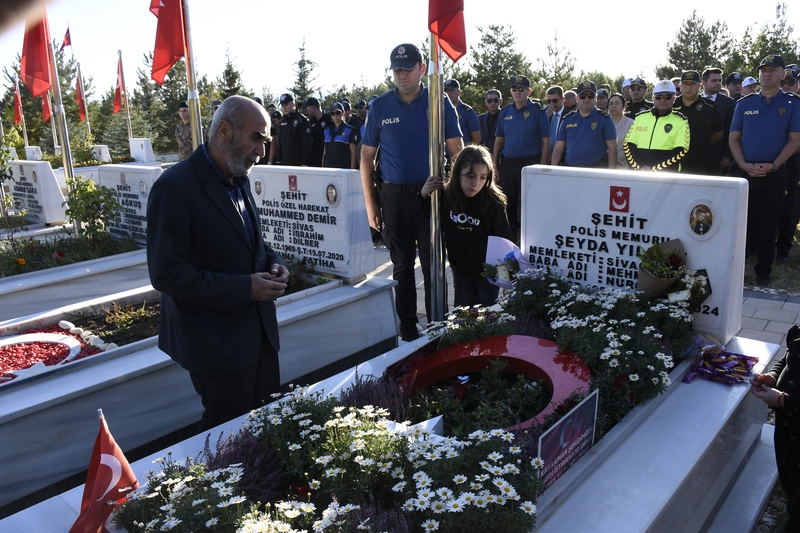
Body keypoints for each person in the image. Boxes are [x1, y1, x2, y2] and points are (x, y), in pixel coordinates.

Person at [146, 96, 289, 430]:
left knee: (267, 429)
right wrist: (245, 288)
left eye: (266, 142)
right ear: (225, 131)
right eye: (257, 138)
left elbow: (253, 244)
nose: (262, 152)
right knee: (230, 440)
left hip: (259, 336)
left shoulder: (237, 178)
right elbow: (167, 273)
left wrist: (276, 263)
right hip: (217, 345)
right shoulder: (174, 187)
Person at [360, 43, 463, 341]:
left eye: (407, 69)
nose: (402, 75)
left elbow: (457, 151)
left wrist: (454, 193)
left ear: (422, 69)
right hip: (392, 198)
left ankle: (437, 328)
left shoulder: (438, 101)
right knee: (402, 267)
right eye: (397, 70)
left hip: (431, 197)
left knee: (433, 268)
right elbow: (366, 158)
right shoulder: (380, 106)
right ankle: (407, 329)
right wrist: (371, 206)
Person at [730, 54, 800, 286]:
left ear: (783, 74)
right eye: (763, 70)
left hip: (774, 173)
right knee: (742, 224)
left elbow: (794, 140)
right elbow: (734, 138)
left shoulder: (792, 103)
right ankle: (738, 267)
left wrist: (774, 165)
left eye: (772, 70)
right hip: (745, 174)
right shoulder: (744, 103)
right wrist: (742, 164)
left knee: (769, 225)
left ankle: (763, 272)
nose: (766, 74)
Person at [420, 145, 514, 307]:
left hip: (488, 273)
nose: (476, 183)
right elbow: (424, 220)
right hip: (461, 271)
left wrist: (506, 281)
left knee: (485, 319)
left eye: (483, 177)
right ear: (457, 173)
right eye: (470, 176)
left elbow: (504, 242)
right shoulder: (445, 197)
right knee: (462, 319)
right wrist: (423, 195)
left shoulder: (494, 203)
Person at [750, 324, 799, 533]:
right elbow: (787, 361)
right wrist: (772, 376)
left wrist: (782, 399)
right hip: (788, 425)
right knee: (789, 475)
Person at [493, 74, 550, 235]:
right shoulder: (505, 112)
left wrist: (543, 166)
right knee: (508, 203)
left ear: (529, 91)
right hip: (508, 165)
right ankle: (510, 238)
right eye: (514, 89)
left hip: (530, 164)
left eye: (521, 89)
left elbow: (546, 140)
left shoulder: (538, 111)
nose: (517, 92)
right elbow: (499, 139)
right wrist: (495, 164)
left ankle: (530, 237)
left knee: (529, 204)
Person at [623, 80, 690, 172]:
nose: (663, 100)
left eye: (668, 96)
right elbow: (628, 145)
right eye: (659, 97)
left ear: (674, 99)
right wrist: (640, 167)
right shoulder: (640, 118)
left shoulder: (680, 120)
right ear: (653, 98)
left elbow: (681, 150)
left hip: (666, 176)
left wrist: (653, 169)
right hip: (639, 174)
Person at [551, 80, 617, 169]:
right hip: (571, 170)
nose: (586, 99)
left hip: (596, 170)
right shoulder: (567, 119)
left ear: (596, 97)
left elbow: (612, 148)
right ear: (577, 98)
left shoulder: (605, 118)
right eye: (582, 96)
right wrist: (553, 171)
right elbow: (558, 148)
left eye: (590, 96)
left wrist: (611, 174)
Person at [672, 70, 722, 175]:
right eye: (685, 84)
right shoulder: (671, 105)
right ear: (680, 86)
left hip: (701, 162)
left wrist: (700, 143)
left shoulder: (709, 106)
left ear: (699, 86)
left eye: (692, 84)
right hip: (674, 161)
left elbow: (718, 133)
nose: (689, 88)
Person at [777, 64, 800, 261]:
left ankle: (783, 248)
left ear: (797, 85)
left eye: (790, 83)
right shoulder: (770, 102)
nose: (786, 86)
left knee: (790, 206)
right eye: (783, 82)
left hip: (793, 163)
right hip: (771, 162)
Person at [701, 67, 736, 174]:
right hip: (696, 156)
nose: (718, 83)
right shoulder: (695, 101)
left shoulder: (729, 102)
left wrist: (727, 155)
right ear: (703, 83)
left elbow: (731, 130)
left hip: (718, 157)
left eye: (720, 80)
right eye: (714, 80)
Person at [275, 93, 313, 166]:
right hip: (284, 164)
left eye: (286, 105)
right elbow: (280, 143)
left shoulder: (302, 121)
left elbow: (307, 145)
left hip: (297, 165)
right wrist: (278, 162)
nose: (284, 108)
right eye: (282, 105)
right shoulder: (283, 121)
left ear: (293, 104)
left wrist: (304, 165)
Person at [322, 102, 359, 169]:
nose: (335, 116)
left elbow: (353, 153)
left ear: (343, 113)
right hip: (328, 168)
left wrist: (351, 171)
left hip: (343, 169)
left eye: (338, 113)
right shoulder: (326, 131)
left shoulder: (350, 130)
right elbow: (324, 153)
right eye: (333, 113)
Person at [444, 79, 480, 146]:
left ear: (459, 92)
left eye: (451, 90)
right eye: (446, 90)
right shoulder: (441, 111)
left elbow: (477, 138)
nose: (448, 93)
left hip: (462, 153)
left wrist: (468, 154)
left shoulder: (468, 111)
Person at [608, 93, 633, 168]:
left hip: (624, 165)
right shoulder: (604, 122)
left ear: (623, 106)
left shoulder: (631, 123)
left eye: (617, 103)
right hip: (605, 164)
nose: (613, 106)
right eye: (611, 103)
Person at [304, 97, 329, 167]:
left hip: (326, 158)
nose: (306, 111)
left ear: (312, 108)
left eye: (307, 109)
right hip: (314, 159)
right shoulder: (311, 122)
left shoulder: (328, 119)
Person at [545, 86, 566, 154]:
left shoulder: (569, 115)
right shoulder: (543, 113)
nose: (552, 104)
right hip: (546, 153)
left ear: (562, 99)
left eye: (555, 101)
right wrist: (546, 117)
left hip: (562, 154)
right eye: (549, 101)